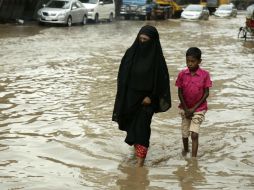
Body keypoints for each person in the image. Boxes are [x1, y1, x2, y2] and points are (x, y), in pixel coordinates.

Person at [112, 25, 171, 167]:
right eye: (141, 39)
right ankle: (136, 153)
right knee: (132, 128)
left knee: (142, 130)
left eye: (146, 39)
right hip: (130, 99)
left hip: (147, 102)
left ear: (153, 41)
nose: (142, 42)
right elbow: (122, 76)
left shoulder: (157, 60)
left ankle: (139, 166)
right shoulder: (130, 53)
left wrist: (151, 96)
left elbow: (161, 81)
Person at [175, 47, 212, 157]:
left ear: (199, 61)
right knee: (185, 133)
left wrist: (194, 108)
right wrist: (186, 109)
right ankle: (186, 151)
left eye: (192, 61)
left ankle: (193, 159)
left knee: (194, 134)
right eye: (187, 61)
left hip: (199, 108)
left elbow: (206, 93)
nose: (189, 64)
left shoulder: (205, 75)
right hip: (185, 108)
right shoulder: (182, 74)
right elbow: (180, 93)